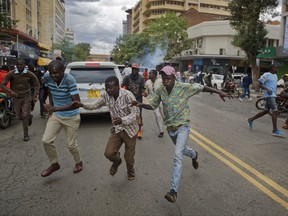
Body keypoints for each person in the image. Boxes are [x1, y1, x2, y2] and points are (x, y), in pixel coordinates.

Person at [131, 65, 231, 203]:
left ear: (174, 77)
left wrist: (218, 92)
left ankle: (173, 191)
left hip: (183, 126)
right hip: (171, 129)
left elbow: (201, 87)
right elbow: (153, 105)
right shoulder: (160, 90)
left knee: (177, 155)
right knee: (182, 150)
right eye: (164, 77)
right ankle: (194, 155)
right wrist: (139, 104)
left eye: (168, 77)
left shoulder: (183, 87)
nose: (166, 80)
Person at [72, 76, 140, 180]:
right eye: (106, 88)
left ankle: (131, 171)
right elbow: (95, 106)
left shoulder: (128, 95)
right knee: (109, 153)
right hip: (117, 129)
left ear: (118, 87)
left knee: (129, 157)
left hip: (130, 131)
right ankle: (117, 161)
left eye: (111, 88)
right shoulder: (106, 96)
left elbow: (136, 114)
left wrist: (123, 120)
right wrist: (82, 105)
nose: (108, 90)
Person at [40, 60, 83, 177]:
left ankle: (79, 162)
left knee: (71, 145)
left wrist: (54, 108)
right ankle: (54, 164)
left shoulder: (70, 80)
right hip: (57, 116)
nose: (54, 76)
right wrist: (51, 108)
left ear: (63, 70)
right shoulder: (47, 76)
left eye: (56, 73)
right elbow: (50, 91)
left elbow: (77, 103)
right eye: (51, 73)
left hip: (72, 117)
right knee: (46, 140)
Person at [0, 59, 39, 141]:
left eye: (21, 65)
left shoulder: (29, 74)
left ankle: (26, 135)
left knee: (24, 115)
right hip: (16, 97)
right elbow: (3, 84)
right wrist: (10, 91)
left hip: (26, 97)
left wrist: (35, 95)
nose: (19, 66)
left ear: (25, 65)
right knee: (19, 117)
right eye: (18, 65)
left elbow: (36, 84)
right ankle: (29, 116)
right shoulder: (12, 73)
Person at [247, 64, 285, 137]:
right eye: (275, 68)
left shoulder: (275, 76)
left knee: (266, 111)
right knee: (275, 111)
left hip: (273, 95)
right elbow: (259, 84)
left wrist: (279, 86)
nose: (277, 69)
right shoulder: (266, 75)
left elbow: (272, 85)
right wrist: (267, 89)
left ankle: (251, 119)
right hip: (269, 95)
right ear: (272, 69)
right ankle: (275, 130)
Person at [121, 63, 145, 139]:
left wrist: (143, 92)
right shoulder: (127, 77)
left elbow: (142, 88)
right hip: (129, 100)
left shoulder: (141, 78)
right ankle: (129, 129)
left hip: (138, 99)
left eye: (136, 69)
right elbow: (122, 86)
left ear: (138, 70)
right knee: (128, 114)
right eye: (133, 69)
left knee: (138, 115)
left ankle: (139, 130)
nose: (134, 70)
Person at [143, 69, 164, 138]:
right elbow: (146, 92)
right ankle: (161, 131)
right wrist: (144, 94)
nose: (149, 75)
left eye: (150, 74)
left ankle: (170, 127)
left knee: (164, 116)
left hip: (162, 101)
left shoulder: (160, 81)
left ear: (155, 75)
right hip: (154, 102)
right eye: (149, 74)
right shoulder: (147, 82)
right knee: (157, 116)